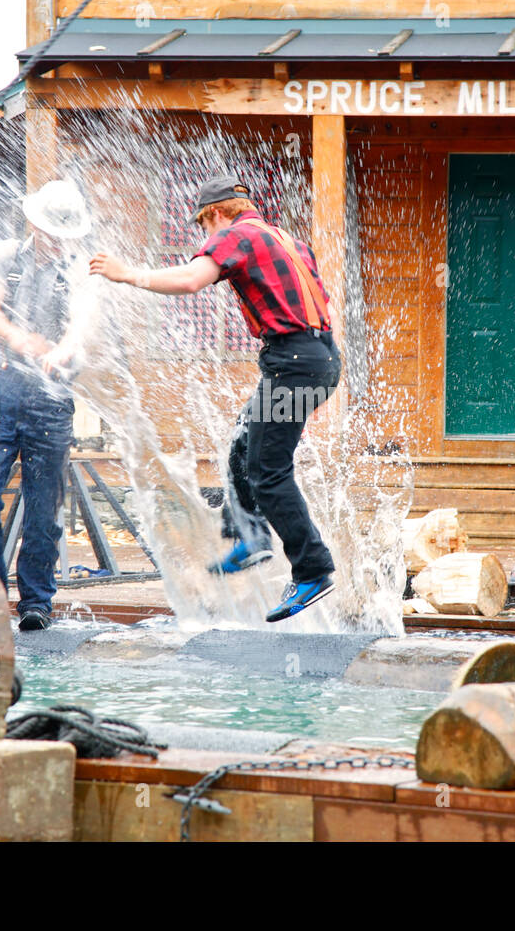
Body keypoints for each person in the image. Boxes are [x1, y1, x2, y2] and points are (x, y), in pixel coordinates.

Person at [89, 174, 341, 623]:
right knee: (243, 444)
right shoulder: (284, 238)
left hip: (295, 365)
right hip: (313, 358)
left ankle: (313, 569)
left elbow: (191, 280)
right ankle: (250, 536)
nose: (207, 239)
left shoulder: (236, 235)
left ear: (216, 214)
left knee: (268, 471)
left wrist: (128, 275)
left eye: (205, 228)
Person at [0, 179, 89, 631]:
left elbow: (77, 329)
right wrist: (21, 340)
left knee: (42, 507)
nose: (55, 239)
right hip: (0, 387)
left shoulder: (79, 270)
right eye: (49, 229)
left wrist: (59, 352)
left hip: (51, 398)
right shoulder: (4, 256)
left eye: (62, 232)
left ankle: (37, 602)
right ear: (33, 221)